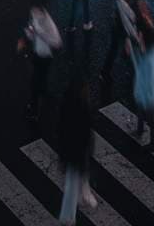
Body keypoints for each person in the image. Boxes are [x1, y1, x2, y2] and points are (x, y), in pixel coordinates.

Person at [57, 69, 97, 224]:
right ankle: (68, 217)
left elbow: (60, 130)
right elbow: (87, 135)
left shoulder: (66, 106)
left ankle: (77, 203)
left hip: (69, 152)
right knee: (74, 182)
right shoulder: (83, 109)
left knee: (73, 181)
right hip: (78, 154)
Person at [20, 0, 62, 121]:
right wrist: (27, 35)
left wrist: (40, 33)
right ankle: (44, 94)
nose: (32, 12)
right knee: (40, 78)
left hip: (45, 56)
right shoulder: (35, 15)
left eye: (34, 9)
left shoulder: (47, 22)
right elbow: (32, 30)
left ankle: (34, 111)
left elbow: (57, 41)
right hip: (38, 53)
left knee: (35, 82)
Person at [130, 0, 154, 154]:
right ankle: (140, 127)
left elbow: (142, 48)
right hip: (150, 66)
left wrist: (137, 41)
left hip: (147, 68)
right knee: (142, 98)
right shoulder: (148, 22)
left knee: (146, 103)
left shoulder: (143, 26)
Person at [101, 0, 139, 83]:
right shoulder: (120, 6)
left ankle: (105, 72)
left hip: (121, 31)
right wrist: (128, 38)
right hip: (119, 31)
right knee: (119, 51)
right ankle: (105, 72)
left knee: (118, 51)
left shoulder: (127, 0)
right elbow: (125, 23)